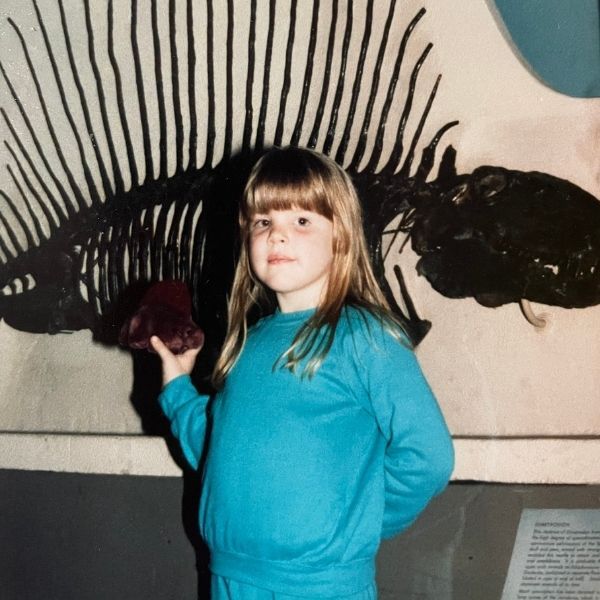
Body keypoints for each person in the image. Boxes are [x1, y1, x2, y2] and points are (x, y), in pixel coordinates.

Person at [150, 146, 454, 599]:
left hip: (320, 583)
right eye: (263, 222)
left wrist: (355, 524)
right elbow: (216, 451)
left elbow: (428, 455)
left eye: (302, 221)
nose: (277, 236)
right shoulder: (249, 344)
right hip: (231, 579)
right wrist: (177, 389)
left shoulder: (364, 337)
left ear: (342, 237)